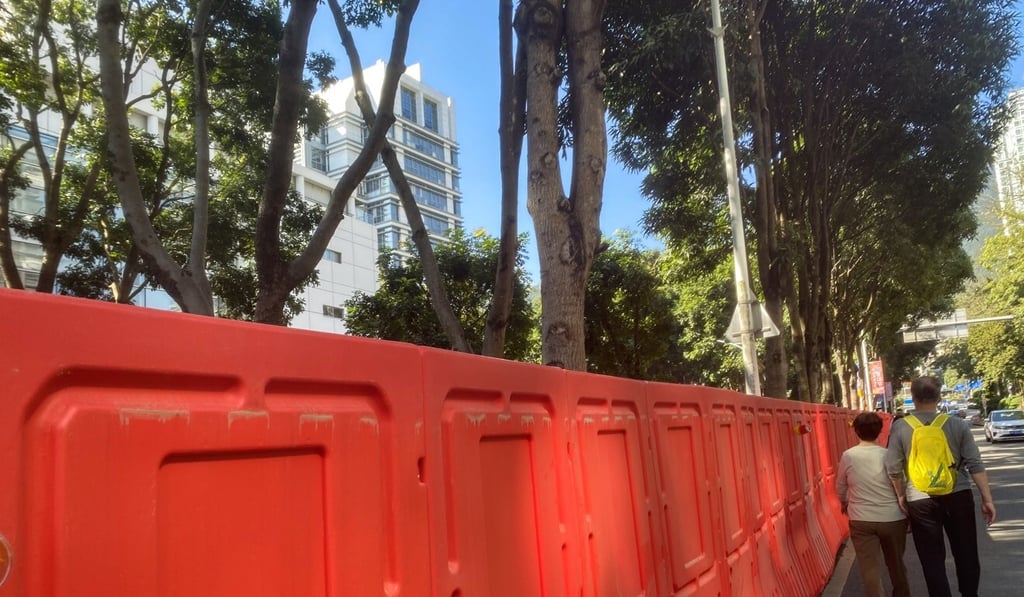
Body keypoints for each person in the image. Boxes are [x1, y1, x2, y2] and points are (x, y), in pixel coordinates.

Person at [885, 376, 996, 597]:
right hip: (958, 495)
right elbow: (975, 463)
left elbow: (893, 468)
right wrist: (987, 499)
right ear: (939, 397)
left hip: (919, 499)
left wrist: (900, 496)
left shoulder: (900, 427)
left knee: (931, 558)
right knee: (966, 554)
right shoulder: (956, 424)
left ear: (913, 398)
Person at [836, 412, 910, 597]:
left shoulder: (849, 456)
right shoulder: (889, 455)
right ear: (880, 430)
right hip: (893, 518)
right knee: (896, 564)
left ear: (856, 431)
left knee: (870, 570)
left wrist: (844, 502)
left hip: (861, 520)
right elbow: (902, 481)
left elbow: (840, 485)